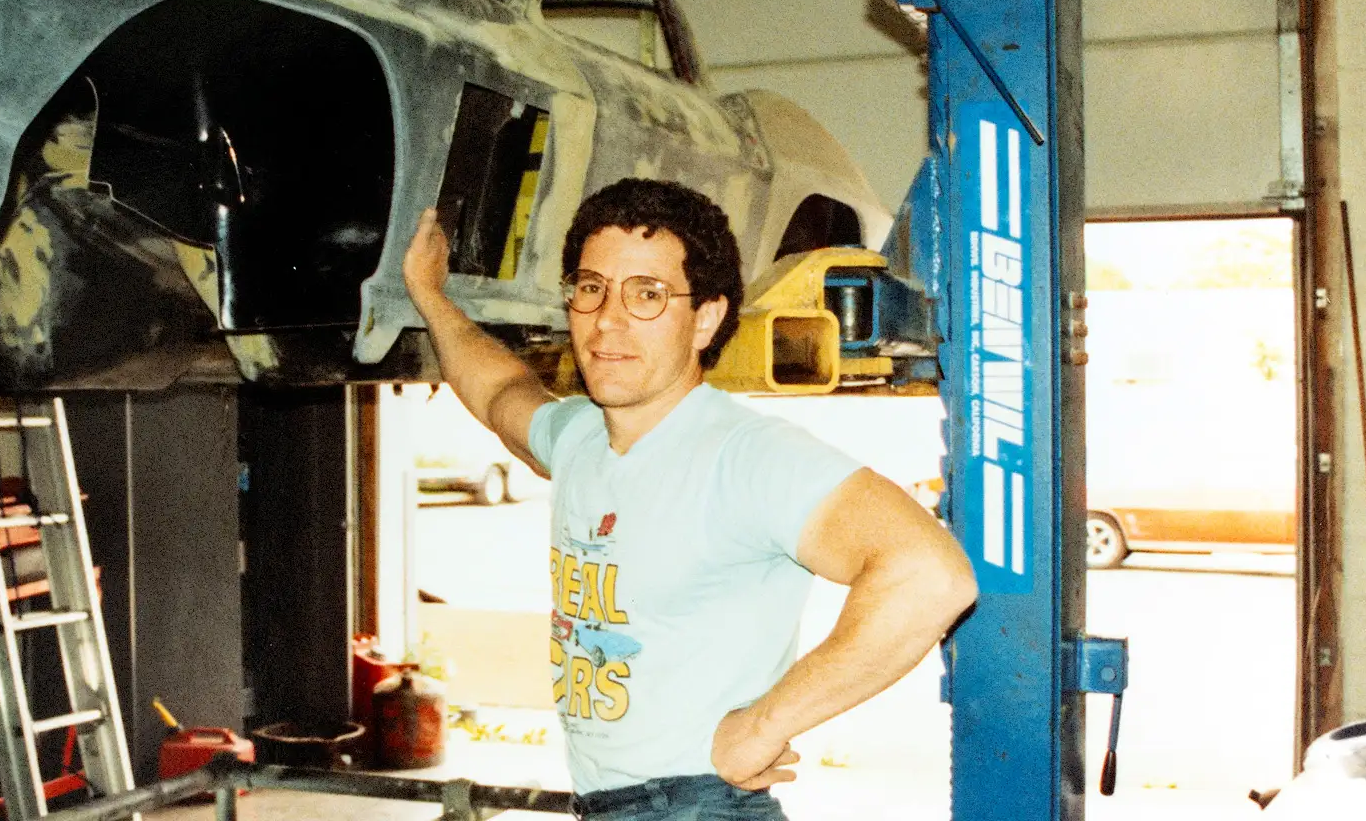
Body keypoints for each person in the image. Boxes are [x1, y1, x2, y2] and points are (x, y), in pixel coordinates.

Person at [402, 178, 978, 820]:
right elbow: (498, 388)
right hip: (616, 805)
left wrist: (764, 726)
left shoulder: (744, 455)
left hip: (695, 805)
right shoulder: (581, 439)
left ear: (705, 318)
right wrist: (429, 294)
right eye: (591, 288)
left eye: (647, 295)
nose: (608, 320)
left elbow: (928, 575)